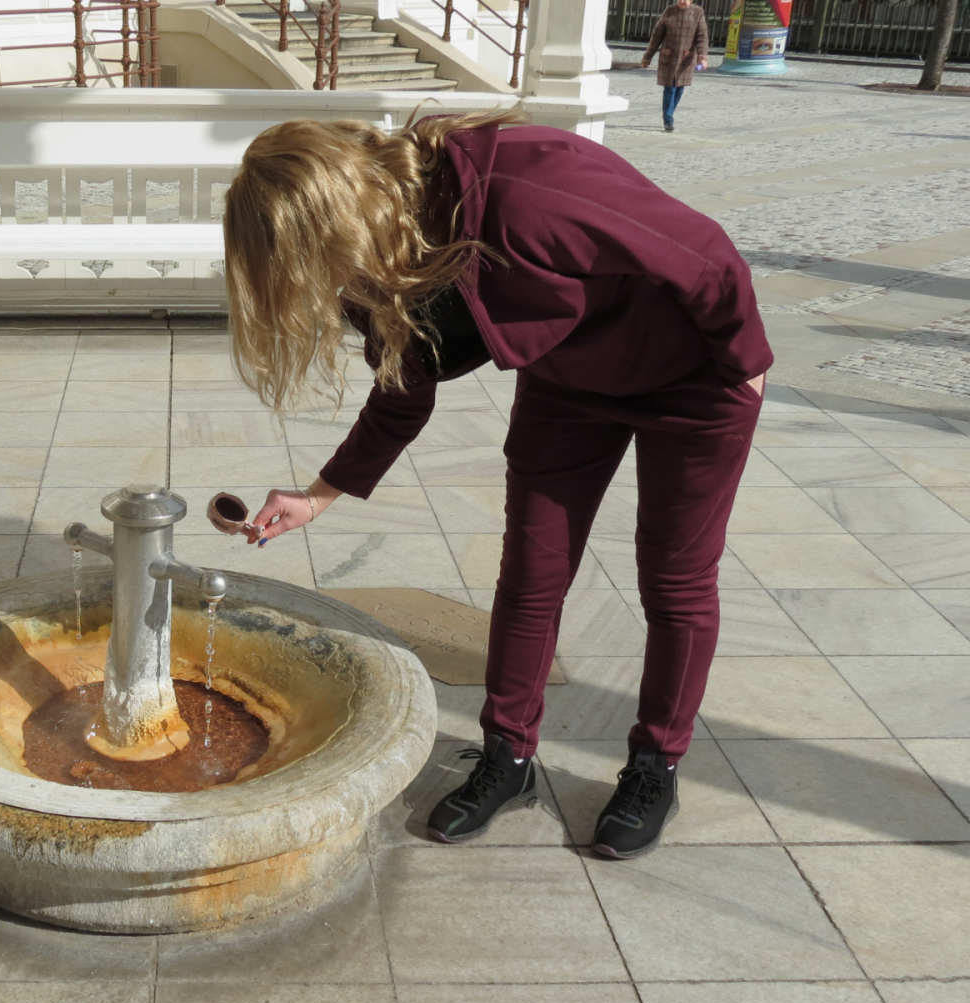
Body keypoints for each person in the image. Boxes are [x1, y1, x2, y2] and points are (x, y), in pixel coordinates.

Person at [222, 113, 771, 859]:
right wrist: (318, 494)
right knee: (531, 575)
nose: (320, 279)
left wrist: (743, 361)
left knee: (673, 581)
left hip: (694, 378)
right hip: (569, 384)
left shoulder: (524, 187)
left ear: (340, 209)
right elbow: (403, 389)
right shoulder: (376, 249)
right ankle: (507, 758)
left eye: (309, 256)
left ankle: (655, 765)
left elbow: (703, 255)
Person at [643, 0, 710, 132]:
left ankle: (669, 114)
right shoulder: (669, 11)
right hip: (669, 57)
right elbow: (657, 35)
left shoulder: (697, 12)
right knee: (670, 88)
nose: (682, 1)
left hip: (686, 58)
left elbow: (702, 37)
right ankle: (668, 120)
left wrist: (702, 57)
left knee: (679, 89)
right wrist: (647, 56)